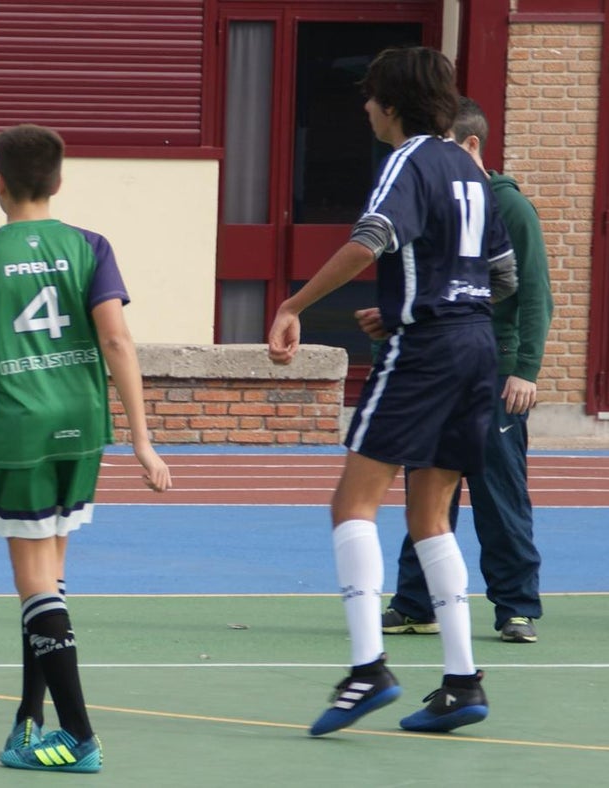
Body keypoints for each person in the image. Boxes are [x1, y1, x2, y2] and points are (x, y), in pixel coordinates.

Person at [267, 47, 517, 736]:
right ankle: (463, 682)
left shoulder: (407, 159)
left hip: (428, 349)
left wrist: (294, 302)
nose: (364, 106)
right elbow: (503, 278)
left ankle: (366, 667)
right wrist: (429, 298)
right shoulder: (469, 168)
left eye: (371, 95)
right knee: (430, 514)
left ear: (394, 102)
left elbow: (372, 237)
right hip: (475, 348)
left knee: (353, 500)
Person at [0, 123, 172, 773]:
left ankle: (81, 735)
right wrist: (141, 439)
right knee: (47, 581)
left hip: (22, 431)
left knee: (35, 585)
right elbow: (117, 342)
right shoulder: (91, 246)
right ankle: (29, 721)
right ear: (58, 183)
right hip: (82, 428)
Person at [378, 97, 554, 645]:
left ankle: (517, 607)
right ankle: (417, 601)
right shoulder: (441, 202)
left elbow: (533, 294)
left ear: (471, 146)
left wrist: (524, 368)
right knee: (426, 491)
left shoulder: (509, 207)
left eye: (445, 146)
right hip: (439, 368)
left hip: (494, 373)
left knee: (498, 493)